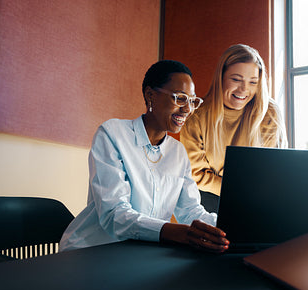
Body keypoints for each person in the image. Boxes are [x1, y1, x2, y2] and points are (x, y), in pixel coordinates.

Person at [60, 60, 229, 253]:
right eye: (180, 98)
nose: (187, 109)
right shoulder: (112, 133)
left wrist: (229, 226)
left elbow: (191, 211)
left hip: (139, 253)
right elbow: (114, 215)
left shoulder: (178, 152)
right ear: (150, 95)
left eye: (192, 101)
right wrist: (175, 232)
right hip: (93, 250)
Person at [180, 44, 287, 213]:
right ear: (221, 77)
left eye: (253, 82)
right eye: (236, 80)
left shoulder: (269, 112)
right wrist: (237, 190)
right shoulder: (196, 116)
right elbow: (197, 174)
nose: (244, 90)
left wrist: (253, 192)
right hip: (210, 197)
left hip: (257, 193)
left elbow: (273, 167)